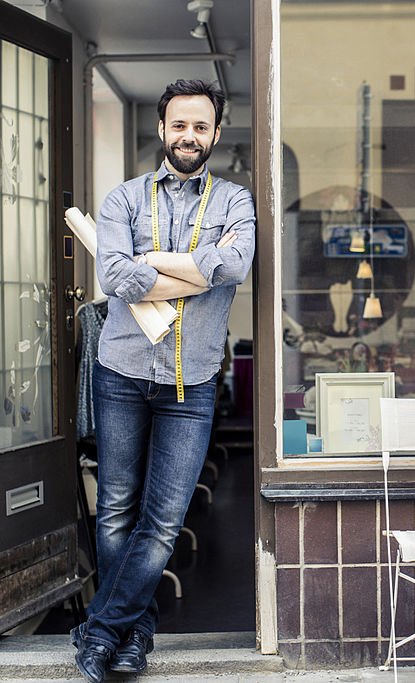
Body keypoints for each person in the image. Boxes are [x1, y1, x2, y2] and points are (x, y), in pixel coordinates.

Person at [72, 79, 255, 683]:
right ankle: (134, 637)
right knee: (118, 511)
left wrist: (155, 262)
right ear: (162, 130)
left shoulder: (234, 200)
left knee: (164, 520)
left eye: (201, 126)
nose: (189, 137)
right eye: (180, 125)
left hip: (192, 380)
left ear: (216, 134)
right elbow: (117, 278)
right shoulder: (123, 199)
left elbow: (237, 263)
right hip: (123, 372)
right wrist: (196, 271)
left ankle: (99, 631)